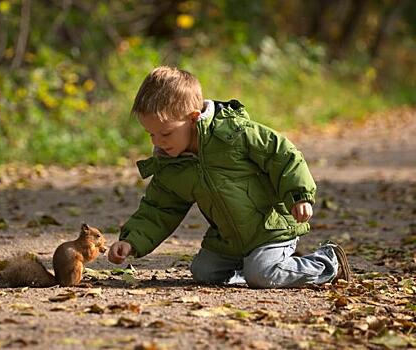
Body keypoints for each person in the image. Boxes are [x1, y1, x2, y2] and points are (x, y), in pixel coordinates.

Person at [108, 66, 350, 288]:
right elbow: (159, 208)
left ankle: (328, 262)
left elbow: (283, 154)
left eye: (166, 133)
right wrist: (132, 242)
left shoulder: (233, 133)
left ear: (193, 118)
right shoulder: (171, 165)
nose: (158, 142)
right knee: (204, 272)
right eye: (151, 134)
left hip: (271, 230)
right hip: (228, 241)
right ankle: (254, 266)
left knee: (262, 275)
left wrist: (299, 195)